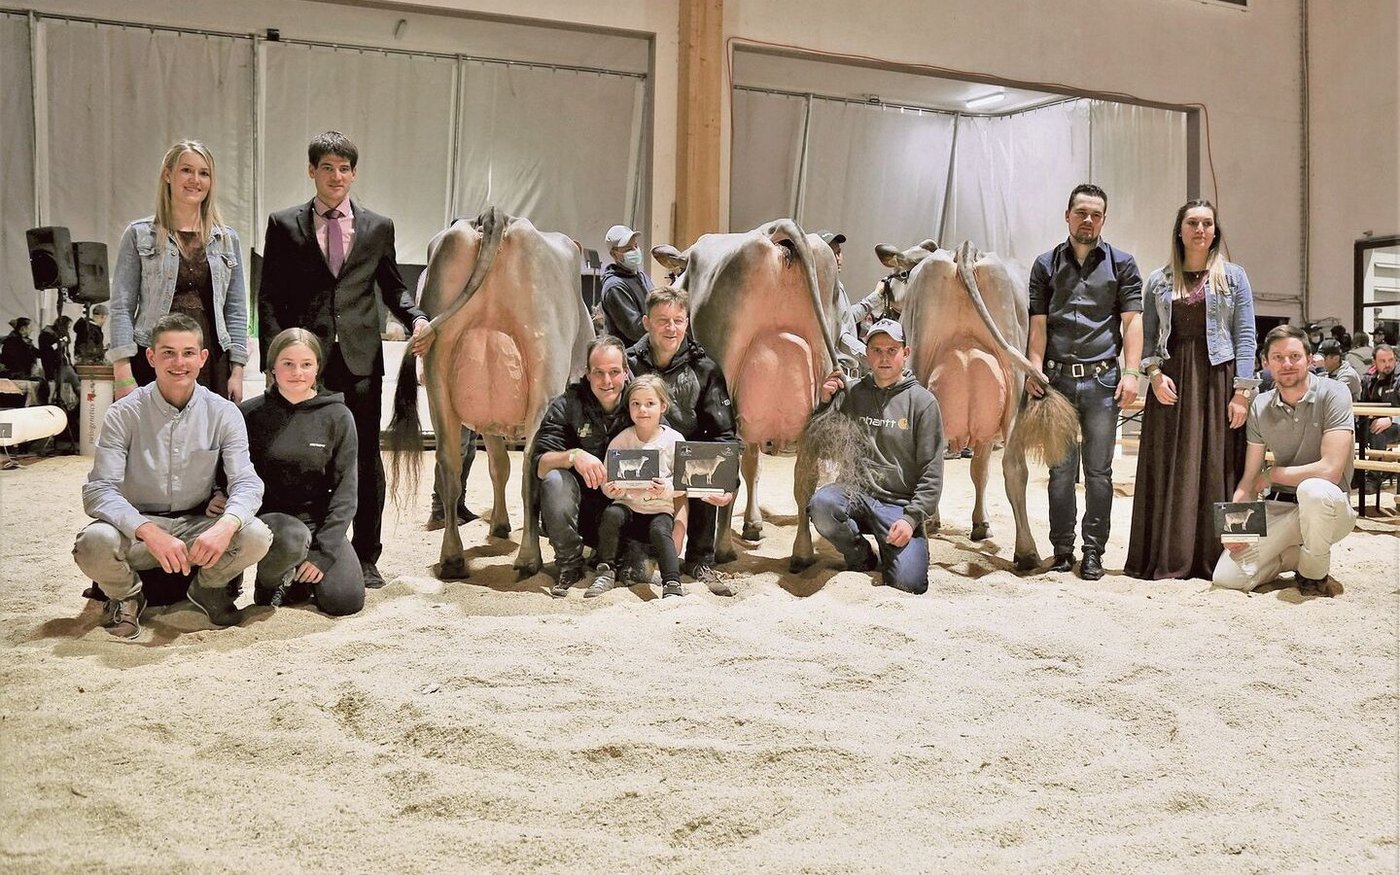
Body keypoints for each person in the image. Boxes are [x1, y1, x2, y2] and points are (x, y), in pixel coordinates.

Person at [259, 130, 435, 589]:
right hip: (302, 363)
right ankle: (297, 540)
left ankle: (367, 553)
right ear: (311, 171)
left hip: (360, 361)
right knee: (296, 452)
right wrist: (274, 359)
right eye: (327, 168)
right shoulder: (283, 224)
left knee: (363, 458)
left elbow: (393, 285)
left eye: (344, 169)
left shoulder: (378, 226)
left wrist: (416, 317)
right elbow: (270, 297)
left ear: (354, 173)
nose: (336, 176)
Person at [72, 313, 272, 639]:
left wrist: (226, 525)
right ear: (151, 357)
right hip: (137, 528)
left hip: (195, 526)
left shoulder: (223, 413)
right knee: (92, 543)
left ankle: (208, 590)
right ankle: (127, 597)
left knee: (256, 535)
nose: (179, 362)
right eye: (168, 352)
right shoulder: (123, 413)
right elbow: (98, 491)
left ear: (202, 358)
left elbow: (247, 482)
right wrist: (148, 531)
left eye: (188, 353)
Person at [1126, 200, 1257, 581]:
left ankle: (1228, 560)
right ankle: (1169, 556)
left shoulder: (1234, 277)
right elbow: (1147, 338)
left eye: (1206, 223)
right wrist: (1153, 375)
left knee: (1222, 466)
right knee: (1171, 468)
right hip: (1171, 384)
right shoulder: (1159, 279)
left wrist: (1242, 392)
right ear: (1180, 231)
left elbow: (1246, 337)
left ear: (1215, 231)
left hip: (1218, 380)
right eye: (1192, 223)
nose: (1200, 229)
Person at [1026, 183, 1144, 580]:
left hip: (1102, 380)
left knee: (1098, 472)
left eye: (1096, 214)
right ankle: (1062, 549)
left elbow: (1132, 321)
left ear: (1103, 220)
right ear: (1067, 215)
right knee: (1060, 471)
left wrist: (1131, 373)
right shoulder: (1045, 265)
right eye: (1081, 213)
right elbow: (1037, 325)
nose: (1088, 220)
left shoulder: (1123, 264)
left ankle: (1093, 551)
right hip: (1056, 381)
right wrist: (1033, 369)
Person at [1213, 325, 1355, 597]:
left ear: (1310, 359)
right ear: (1266, 362)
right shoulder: (1259, 405)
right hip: (1279, 506)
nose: (1286, 364)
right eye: (1277, 357)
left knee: (1313, 490)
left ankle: (1313, 576)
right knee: (1227, 578)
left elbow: (1330, 471)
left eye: (1294, 356)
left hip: (1330, 507)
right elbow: (1249, 478)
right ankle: (1296, 558)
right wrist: (1232, 528)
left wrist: (1273, 474)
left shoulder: (1334, 393)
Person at [809, 319, 944, 594]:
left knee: (909, 584)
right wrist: (824, 403)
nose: (884, 358)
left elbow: (932, 473)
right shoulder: (853, 393)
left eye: (891, 350)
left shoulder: (923, 403)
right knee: (822, 505)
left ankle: (900, 545)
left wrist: (911, 519)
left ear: (905, 353)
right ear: (867, 353)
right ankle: (861, 555)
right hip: (856, 494)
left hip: (899, 505)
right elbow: (820, 445)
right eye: (877, 350)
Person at [108, 140, 248, 403]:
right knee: (151, 439)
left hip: (210, 358)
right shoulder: (139, 234)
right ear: (168, 174)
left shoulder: (228, 240)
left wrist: (237, 369)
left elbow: (237, 310)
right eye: (187, 170)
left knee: (206, 441)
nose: (195, 179)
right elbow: (121, 307)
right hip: (153, 356)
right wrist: (122, 370)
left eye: (204, 173)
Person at [240, 328, 364, 616]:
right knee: (290, 536)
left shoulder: (339, 416)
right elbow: (229, 474)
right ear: (272, 368)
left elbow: (346, 493)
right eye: (288, 364)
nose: (298, 372)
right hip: (268, 522)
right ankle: (269, 582)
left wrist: (324, 552)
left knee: (345, 600)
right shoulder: (249, 414)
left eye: (306, 364)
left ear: (317, 368)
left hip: (316, 521)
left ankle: (297, 575)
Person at [626, 286, 738, 595]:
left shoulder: (706, 369)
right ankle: (627, 554)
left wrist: (726, 481)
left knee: (709, 470)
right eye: (663, 320)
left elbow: (724, 435)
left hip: (685, 458)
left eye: (678, 320)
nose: (671, 328)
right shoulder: (628, 365)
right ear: (647, 322)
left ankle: (700, 559)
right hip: (642, 451)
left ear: (687, 323)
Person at [533, 335, 632, 597]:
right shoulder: (566, 405)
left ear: (626, 372)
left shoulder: (642, 403)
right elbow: (539, 464)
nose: (607, 381)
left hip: (627, 513)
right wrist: (574, 455)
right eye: (598, 373)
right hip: (582, 512)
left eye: (614, 372)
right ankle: (570, 564)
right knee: (554, 479)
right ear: (587, 374)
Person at [586, 374, 687, 598]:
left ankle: (672, 581)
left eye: (650, 404)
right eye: (636, 404)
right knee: (611, 515)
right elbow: (607, 478)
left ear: (663, 406)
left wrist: (667, 488)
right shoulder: (621, 440)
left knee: (661, 531)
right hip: (628, 507)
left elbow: (684, 483)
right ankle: (605, 571)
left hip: (659, 509)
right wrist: (611, 489)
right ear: (629, 407)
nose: (643, 410)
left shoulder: (674, 440)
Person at [599, 224, 655, 348]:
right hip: (630, 359)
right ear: (614, 254)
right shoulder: (614, 287)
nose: (635, 251)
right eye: (628, 249)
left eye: (636, 246)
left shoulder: (641, 276)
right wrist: (662, 326)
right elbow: (635, 330)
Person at [1359, 344, 1398, 455]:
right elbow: (1363, 404)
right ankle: (1358, 470)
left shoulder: (1398, 378)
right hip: (1372, 421)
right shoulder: (1368, 380)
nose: (1388, 365)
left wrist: (1391, 419)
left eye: (1391, 360)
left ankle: (1375, 471)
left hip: (1396, 423)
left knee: (1378, 432)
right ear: (1374, 362)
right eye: (1383, 361)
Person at [38, 314, 80, 410]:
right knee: (56, 389)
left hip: (64, 364)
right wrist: (60, 343)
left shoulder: (59, 335)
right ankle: (52, 405)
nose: (68, 330)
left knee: (76, 384)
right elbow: (48, 351)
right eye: (68, 327)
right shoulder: (47, 335)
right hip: (55, 366)